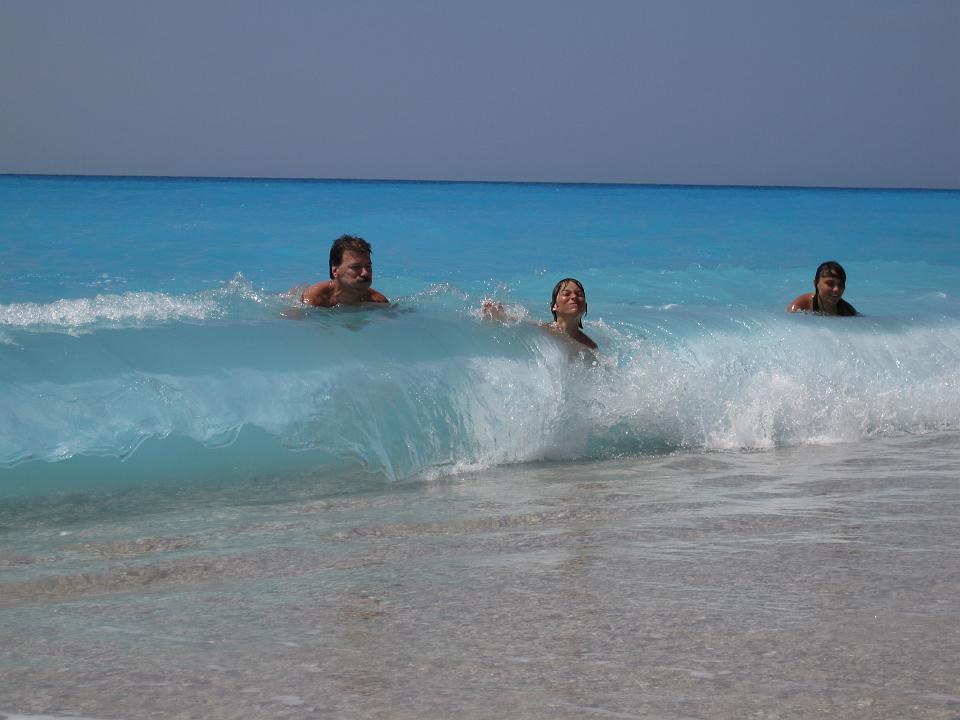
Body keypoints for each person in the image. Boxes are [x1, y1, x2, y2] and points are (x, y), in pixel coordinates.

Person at [482, 277, 598, 350]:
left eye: (579, 295)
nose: (574, 297)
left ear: (585, 306)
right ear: (554, 306)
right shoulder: (546, 330)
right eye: (566, 294)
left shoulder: (590, 346)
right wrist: (499, 315)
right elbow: (522, 324)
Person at [299, 235, 388, 308]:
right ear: (335, 271)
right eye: (356, 267)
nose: (365, 273)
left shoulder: (378, 302)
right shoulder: (314, 299)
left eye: (368, 266)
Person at [787, 261, 857, 316]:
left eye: (840, 285)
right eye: (830, 283)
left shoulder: (848, 312)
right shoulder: (801, 306)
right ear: (816, 284)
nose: (836, 289)